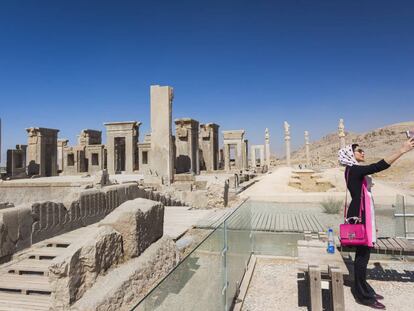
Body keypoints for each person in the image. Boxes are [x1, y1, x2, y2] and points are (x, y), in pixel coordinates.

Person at [338, 137, 414, 309]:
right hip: (360, 215)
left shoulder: (352, 170)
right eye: (358, 150)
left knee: (363, 255)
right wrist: (402, 150)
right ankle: (362, 295)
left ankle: (364, 288)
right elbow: (379, 166)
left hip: (361, 213)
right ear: (350, 155)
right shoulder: (354, 169)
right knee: (362, 257)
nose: (362, 152)